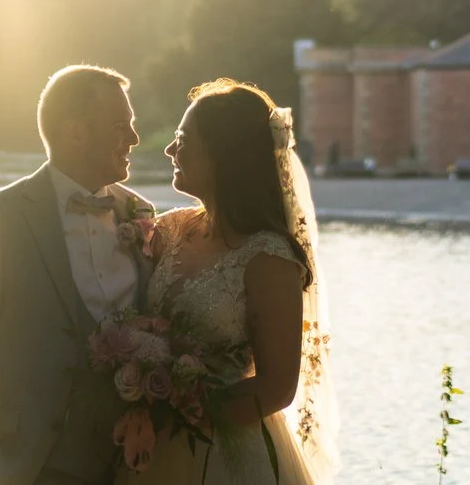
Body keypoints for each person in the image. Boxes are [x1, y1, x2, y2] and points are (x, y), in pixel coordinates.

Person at [0, 64, 155, 485]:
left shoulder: (141, 213)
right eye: (120, 126)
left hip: (128, 470)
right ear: (76, 133)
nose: (134, 138)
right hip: (28, 467)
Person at [123, 78, 337, 485]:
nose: (170, 150)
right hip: (151, 447)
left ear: (223, 155)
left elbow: (277, 388)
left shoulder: (268, 257)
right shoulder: (170, 229)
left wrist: (179, 410)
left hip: (227, 453)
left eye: (183, 140)